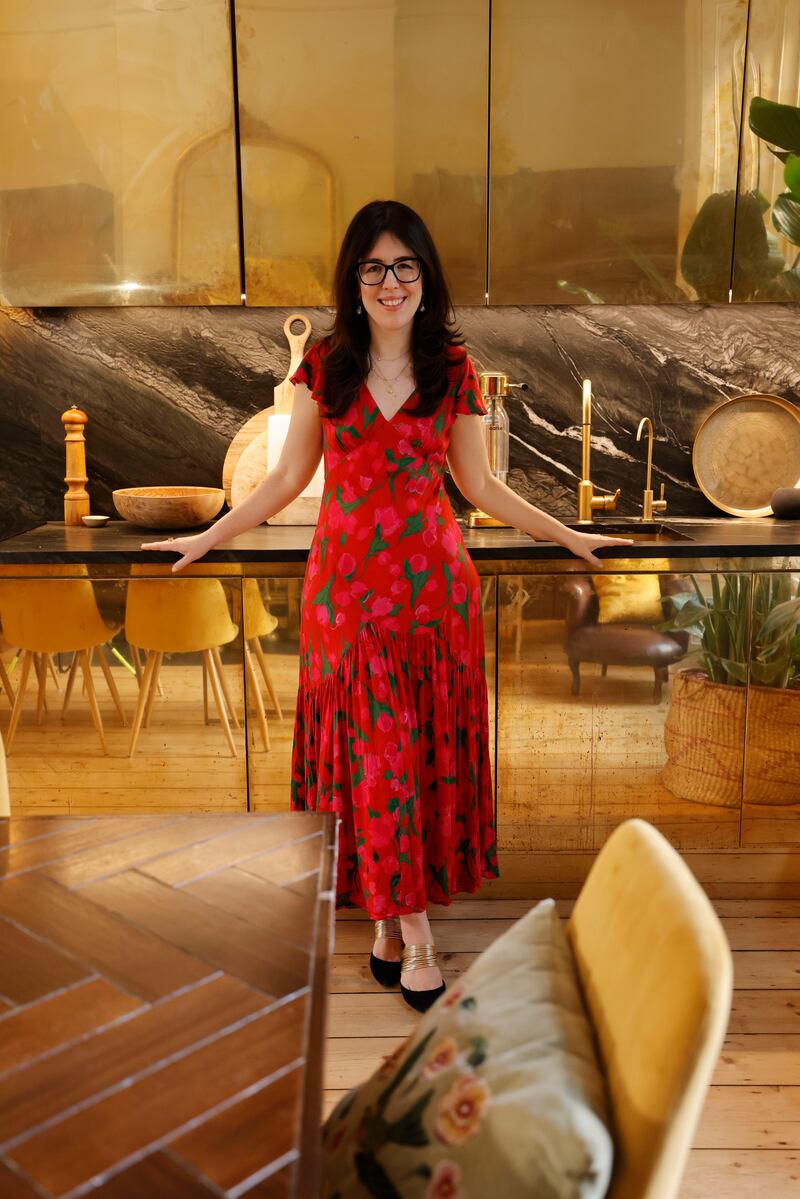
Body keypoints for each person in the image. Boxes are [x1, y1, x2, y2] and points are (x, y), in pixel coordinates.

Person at [146, 199, 631, 1011]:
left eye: (405, 265)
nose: (391, 281)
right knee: (376, 762)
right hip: (346, 599)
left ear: (425, 276)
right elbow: (283, 481)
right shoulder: (323, 368)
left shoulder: (454, 368)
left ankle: (388, 925)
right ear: (354, 279)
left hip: (435, 599)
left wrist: (573, 536)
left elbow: (480, 488)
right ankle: (421, 937)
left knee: (408, 763)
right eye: (374, 266)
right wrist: (205, 538)